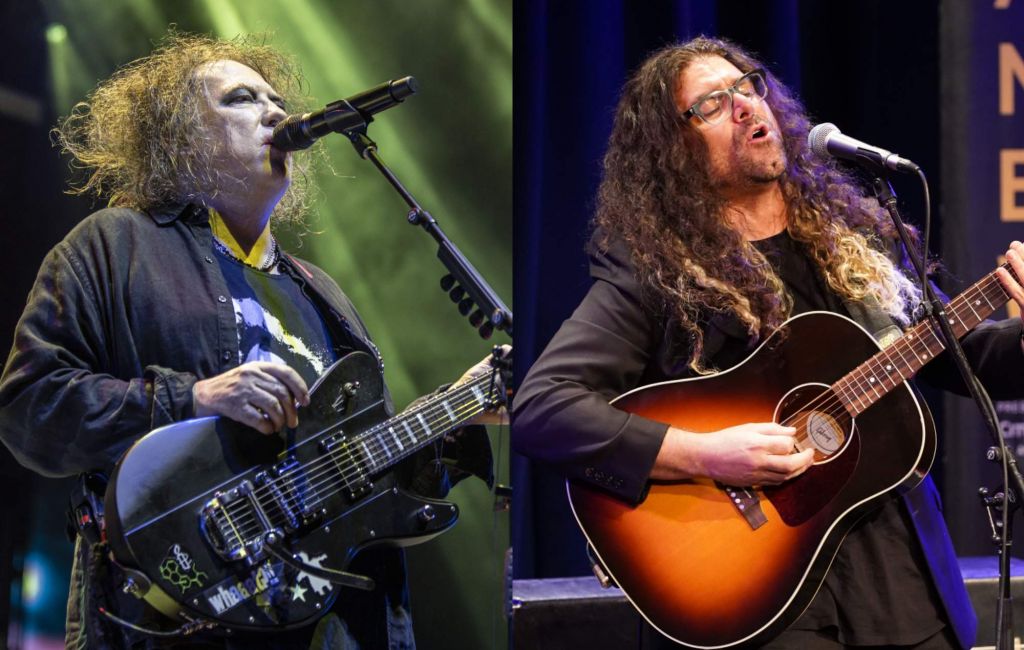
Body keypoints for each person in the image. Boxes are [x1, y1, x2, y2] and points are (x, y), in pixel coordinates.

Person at [513, 36, 1024, 650]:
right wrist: (707, 454)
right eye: (712, 104)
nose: (746, 106)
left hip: (900, 580)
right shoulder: (655, 272)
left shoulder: (857, 237)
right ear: (672, 149)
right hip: (760, 596)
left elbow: (962, 356)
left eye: (748, 86)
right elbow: (543, 407)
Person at [0, 32, 504, 650]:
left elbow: (363, 479)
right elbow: (31, 407)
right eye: (241, 99)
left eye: (274, 97)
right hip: (170, 618)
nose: (277, 112)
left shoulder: (324, 295)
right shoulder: (113, 247)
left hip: (330, 624)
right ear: (181, 139)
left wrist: (456, 410)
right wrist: (197, 399)